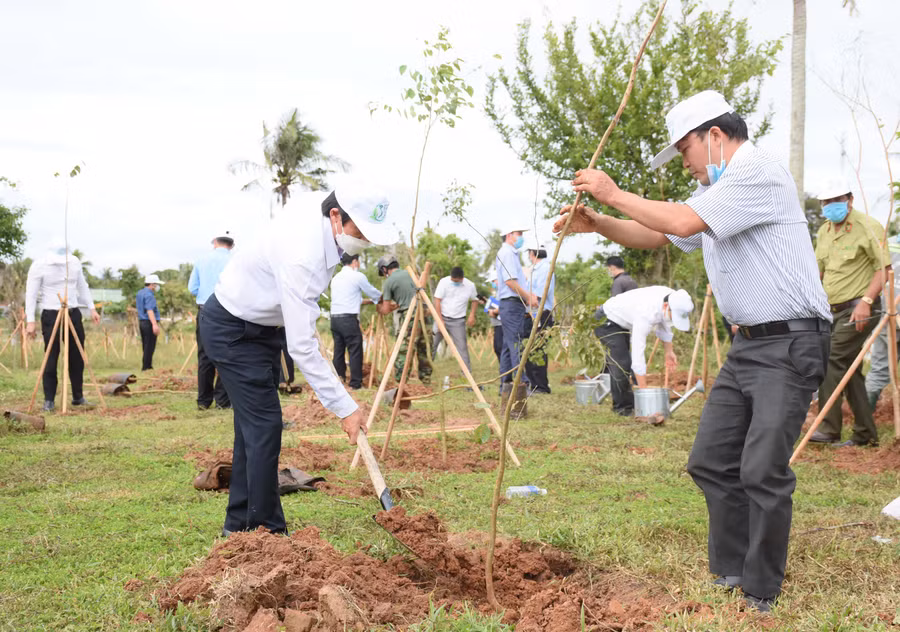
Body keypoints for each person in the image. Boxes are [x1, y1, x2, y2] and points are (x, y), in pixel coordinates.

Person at [555, 91, 832, 611]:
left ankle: (760, 588)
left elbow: (679, 221)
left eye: (685, 150)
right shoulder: (716, 193)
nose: (685, 163)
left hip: (791, 341)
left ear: (716, 137)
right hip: (748, 345)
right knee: (710, 460)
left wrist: (612, 193)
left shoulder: (759, 174)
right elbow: (659, 235)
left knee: (762, 470)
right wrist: (599, 224)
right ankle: (731, 570)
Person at [200, 188, 398, 536]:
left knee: (253, 430)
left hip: (263, 329)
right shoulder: (301, 254)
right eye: (361, 232)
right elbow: (303, 347)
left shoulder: (322, 221)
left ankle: (241, 526)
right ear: (336, 216)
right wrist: (345, 408)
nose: (364, 242)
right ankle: (267, 531)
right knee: (264, 426)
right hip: (232, 329)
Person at [808, 181, 888, 447]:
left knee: (831, 360)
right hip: (831, 311)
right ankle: (865, 433)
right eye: (826, 202)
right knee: (849, 371)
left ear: (850, 199)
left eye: (836, 200)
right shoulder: (824, 231)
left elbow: (883, 270)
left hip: (859, 309)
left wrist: (866, 301)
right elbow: (819, 271)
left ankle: (829, 428)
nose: (831, 206)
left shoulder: (868, 226)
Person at [24, 239, 101, 412]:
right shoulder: (39, 265)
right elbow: (31, 293)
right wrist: (30, 321)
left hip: (73, 313)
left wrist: (92, 308)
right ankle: (49, 400)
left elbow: (83, 286)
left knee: (77, 356)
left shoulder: (74, 263)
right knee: (51, 357)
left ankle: (78, 397)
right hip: (51, 314)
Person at [596, 286, 693, 414]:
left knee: (623, 361)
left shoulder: (674, 298)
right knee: (622, 364)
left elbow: (664, 324)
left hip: (623, 321)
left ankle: (630, 401)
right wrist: (645, 395)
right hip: (606, 320)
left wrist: (669, 352)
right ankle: (623, 408)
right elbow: (638, 355)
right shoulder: (646, 313)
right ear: (665, 307)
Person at [189, 229, 234, 410]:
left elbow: (192, 288)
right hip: (229, 311)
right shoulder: (235, 260)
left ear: (214, 241)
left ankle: (203, 401)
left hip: (205, 310)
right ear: (232, 244)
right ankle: (222, 401)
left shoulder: (201, 260)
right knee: (227, 355)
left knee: (204, 356)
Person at [376, 255, 432, 384]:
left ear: (385, 269)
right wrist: (397, 305)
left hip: (410, 315)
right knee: (424, 346)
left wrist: (379, 308)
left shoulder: (389, 281)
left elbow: (385, 310)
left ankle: (401, 381)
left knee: (404, 349)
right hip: (425, 312)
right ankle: (426, 380)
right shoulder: (411, 274)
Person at [329, 253, 381, 389]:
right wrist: (381, 298)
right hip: (348, 319)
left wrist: (369, 301)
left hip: (334, 318)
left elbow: (351, 298)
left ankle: (340, 380)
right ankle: (356, 383)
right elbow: (372, 292)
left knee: (338, 350)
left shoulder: (336, 278)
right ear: (354, 262)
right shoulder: (357, 276)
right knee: (355, 349)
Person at [495, 223, 538, 387]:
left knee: (508, 344)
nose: (521, 237)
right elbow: (510, 282)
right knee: (515, 344)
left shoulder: (510, 253)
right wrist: (528, 297)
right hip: (512, 305)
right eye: (519, 233)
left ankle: (505, 385)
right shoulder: (507, 253)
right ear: (509, 235)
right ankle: (522, 382)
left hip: (512, 305)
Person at [865, 235, 900, 409]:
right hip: (889, 314)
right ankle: (864, 422)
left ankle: (864, 422)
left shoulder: (888, 243)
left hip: (888, 312)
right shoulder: (887, 244)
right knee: (879, 368)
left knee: (879, 367)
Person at [432, 266, 479, 371]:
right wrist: (440, 321)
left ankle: (467, 376)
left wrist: (472, 315)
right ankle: (425, 373)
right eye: (453, 280)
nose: (454, 282)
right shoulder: (443, 282)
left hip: (458, 321)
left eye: (456, 281)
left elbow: (475, 300)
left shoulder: (470, 285)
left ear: (462, 279)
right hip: (442, 317)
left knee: (462, 349)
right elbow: (437, 301)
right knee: (432, 345)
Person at [524, 240, 556, 394]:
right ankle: (533, 384)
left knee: (538, 349)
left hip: (540, 314)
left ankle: (541, 386)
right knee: (530, 349)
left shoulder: (544, 269)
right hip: (532, 313)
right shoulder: (535, 269)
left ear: (532, 253)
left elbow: (538, 296)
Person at [136, 274, 164, 371]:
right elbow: (150, 310)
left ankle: (147, 365)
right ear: (152, 284)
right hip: (149, 322)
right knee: (150, 346)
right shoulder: (149, 295)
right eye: (156, 284)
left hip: (142, 322)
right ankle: (146, 367)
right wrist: (154, 324)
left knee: (145, 345)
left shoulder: (140, 293)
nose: (157, 287)